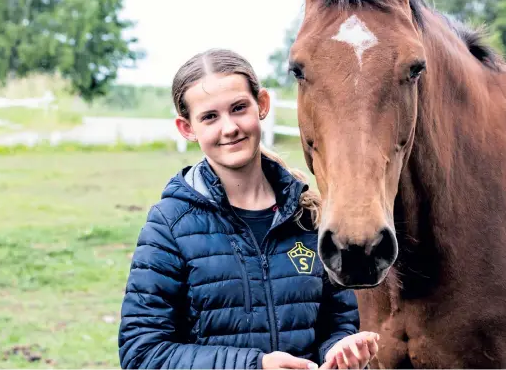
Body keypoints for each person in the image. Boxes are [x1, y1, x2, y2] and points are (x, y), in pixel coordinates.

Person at [118, 49, 380, 369]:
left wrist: (339, 349)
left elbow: (337, 322)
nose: (229, 128)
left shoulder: (310, 216)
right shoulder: (169, 225)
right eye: (209, 117)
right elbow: (142, 353)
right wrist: (256, 365)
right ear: (187, 128)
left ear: (262, 105)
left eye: (239, 108)